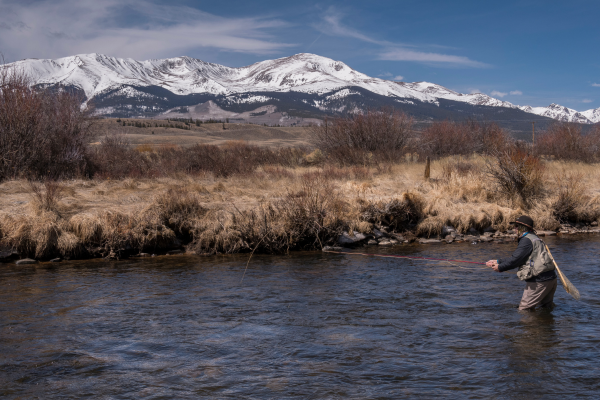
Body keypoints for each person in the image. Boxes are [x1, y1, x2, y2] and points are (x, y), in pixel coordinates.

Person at [486, 215, 558, 311]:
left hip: (539, 281)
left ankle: (530, 326)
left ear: (523, 228)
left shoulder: (526, 240)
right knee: (545, 309)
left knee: (524, 310)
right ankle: (545, 326)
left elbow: (515, 261)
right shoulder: (534, 237)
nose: (515, 228)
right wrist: (498, 261)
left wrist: (500, 267)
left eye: (517, 226)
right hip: (551, 279)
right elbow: (520, 257)